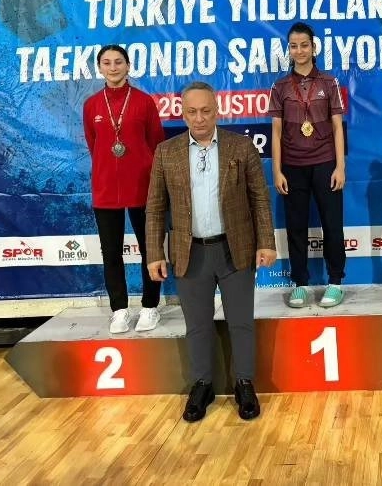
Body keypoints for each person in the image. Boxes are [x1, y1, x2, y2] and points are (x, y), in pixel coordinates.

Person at [145, 82, 277, 423]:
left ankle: (244, 383)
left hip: (236, 250)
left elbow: (259, 198)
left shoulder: (241, 146)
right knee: (197, 326)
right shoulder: (166, 152)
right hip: (190, 253)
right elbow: (155, 207)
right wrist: (154, 253)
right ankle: (202, 385)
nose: (199, 118)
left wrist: (266, 242)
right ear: (182, 113)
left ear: (217, 111)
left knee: (241, 323)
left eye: (206, 110)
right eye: (192, 111)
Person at [84, 44, 165, 334]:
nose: (113, 67)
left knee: (150, 248)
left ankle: (150, 306)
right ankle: (119, 309)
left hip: (143, 186)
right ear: (99, 68)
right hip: (106, 189)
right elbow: (94, 145)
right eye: (106, 63)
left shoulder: (144, 102)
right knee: (111, 253)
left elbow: (156, 143)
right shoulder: (92, 105)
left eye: (118, 62)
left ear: (128, 66)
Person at [269, 22, 347, 309]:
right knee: (296, 227)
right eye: (294, 46)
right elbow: (276, 131)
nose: (299, 50)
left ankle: (335, 282)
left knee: (332, 225)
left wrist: (340, 167)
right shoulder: (279, 87)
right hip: (292, 167)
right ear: (289, 50)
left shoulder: (329, 82)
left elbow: (337, 127)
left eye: (304, 45)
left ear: (314, 48)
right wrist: (277, 170)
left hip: (325, 163)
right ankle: (300, 284)